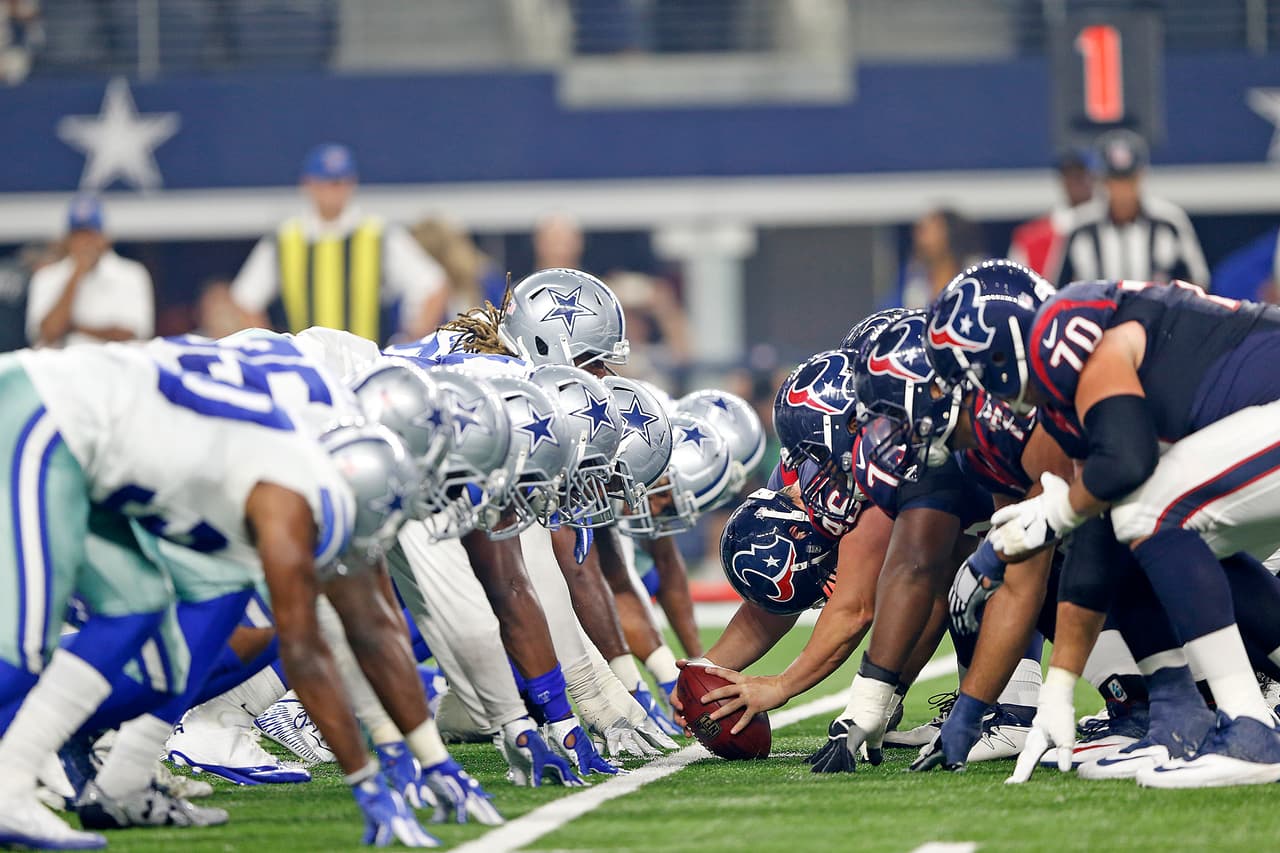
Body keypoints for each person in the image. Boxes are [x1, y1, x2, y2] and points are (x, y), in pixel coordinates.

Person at [231, 144, 448, 345]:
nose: (333, 191)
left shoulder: (378, 234)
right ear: (308, 184)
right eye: (325, 182)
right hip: (308, 366)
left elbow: (432, 285)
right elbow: (245, 300)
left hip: (365, 368)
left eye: (339, 182)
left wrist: (409, 340)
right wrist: (274, 350)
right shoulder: (284, 238)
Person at [1050, 130, 1209, 288]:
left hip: (1156, 313)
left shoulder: (1169, 221)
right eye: (1115, 180)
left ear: (1141, 176)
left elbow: (1197, 283)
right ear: (1101, 180)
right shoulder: (1080, 226)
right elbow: (1059, 289)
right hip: (1099, 313)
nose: (1122, 190)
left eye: (1129, 180)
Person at [25, 196, 154, 348]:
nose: (85, 243)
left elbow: (130, 334)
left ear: (104, 238)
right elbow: (48, 333)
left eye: (90, 235)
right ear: (67, 240)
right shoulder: (46, 276)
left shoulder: (132, 274)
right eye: (78, 236)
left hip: (114, 369)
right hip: (61, 369)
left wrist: (75, 327)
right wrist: (76, 274)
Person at [1007, 149, 1095, 277]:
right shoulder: (1033, 238)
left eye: (1080, 176)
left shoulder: (1114, 224)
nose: (1075, 183)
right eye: (1069, 176)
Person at [897, 208, 986, 309]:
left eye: (926, 231)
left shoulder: (978, 275)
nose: (919, 239)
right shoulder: (912, 279)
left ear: (949, 235)